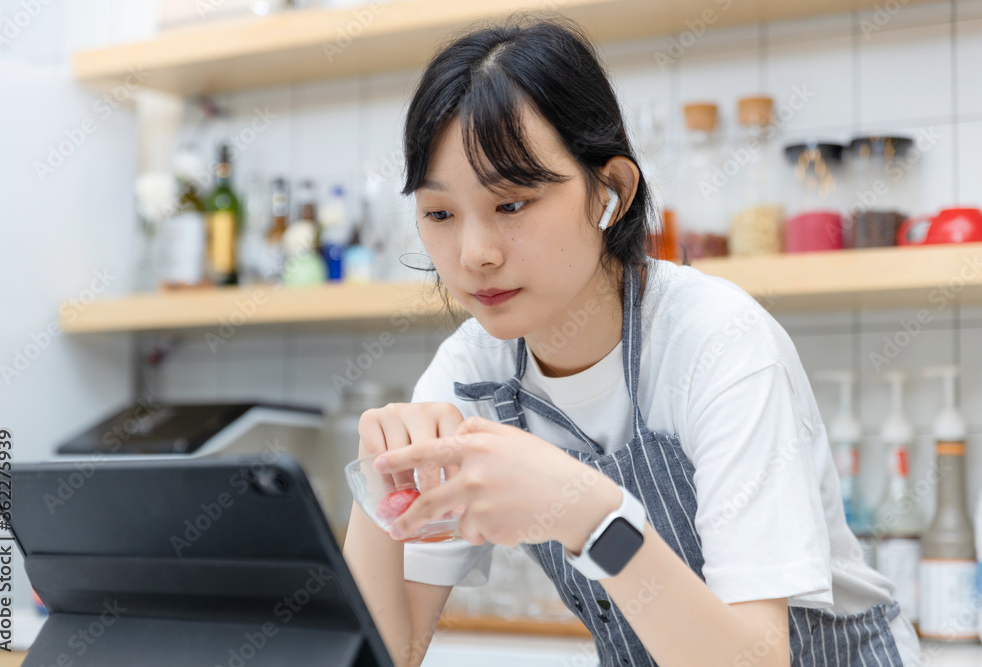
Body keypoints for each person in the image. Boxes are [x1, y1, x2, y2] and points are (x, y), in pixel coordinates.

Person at [341, 15, 922, 667]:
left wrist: (591, 516)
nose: (474, 254)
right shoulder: (471, 371)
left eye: (511, 204)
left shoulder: (716, 339)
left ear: (610, 192)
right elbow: (391, 652)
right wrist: (377, 484)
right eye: (440, 214)